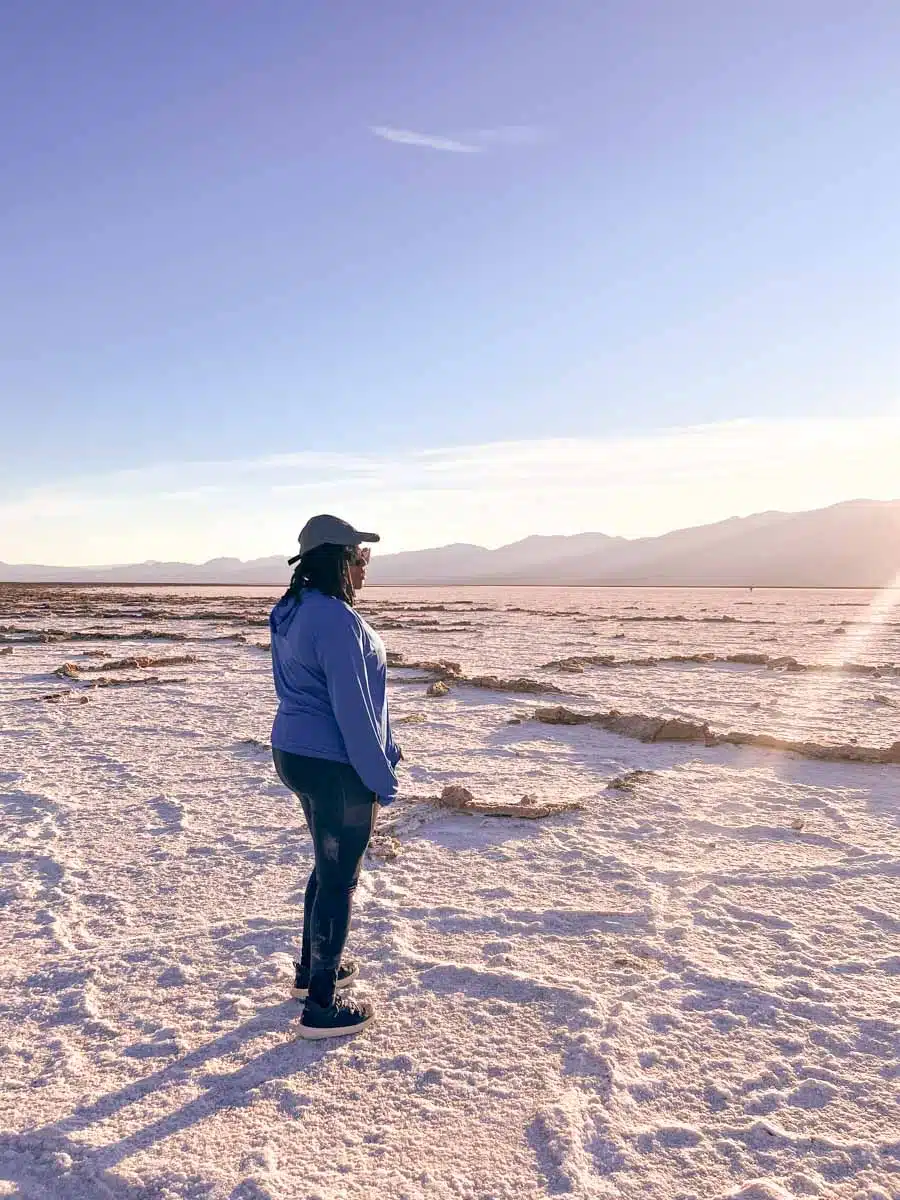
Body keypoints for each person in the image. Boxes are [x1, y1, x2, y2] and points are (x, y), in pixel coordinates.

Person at [269, 514, 401, 1040]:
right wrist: (380, 775)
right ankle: (321, 1006)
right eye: (360, 557)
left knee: (326, 865)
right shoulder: (336, 622)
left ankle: (311, 971)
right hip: (333, 762)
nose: (366, 567)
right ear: (339, 561)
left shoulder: (293, 610)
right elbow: (354, 710)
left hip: (295, 753)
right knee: (339, 876)